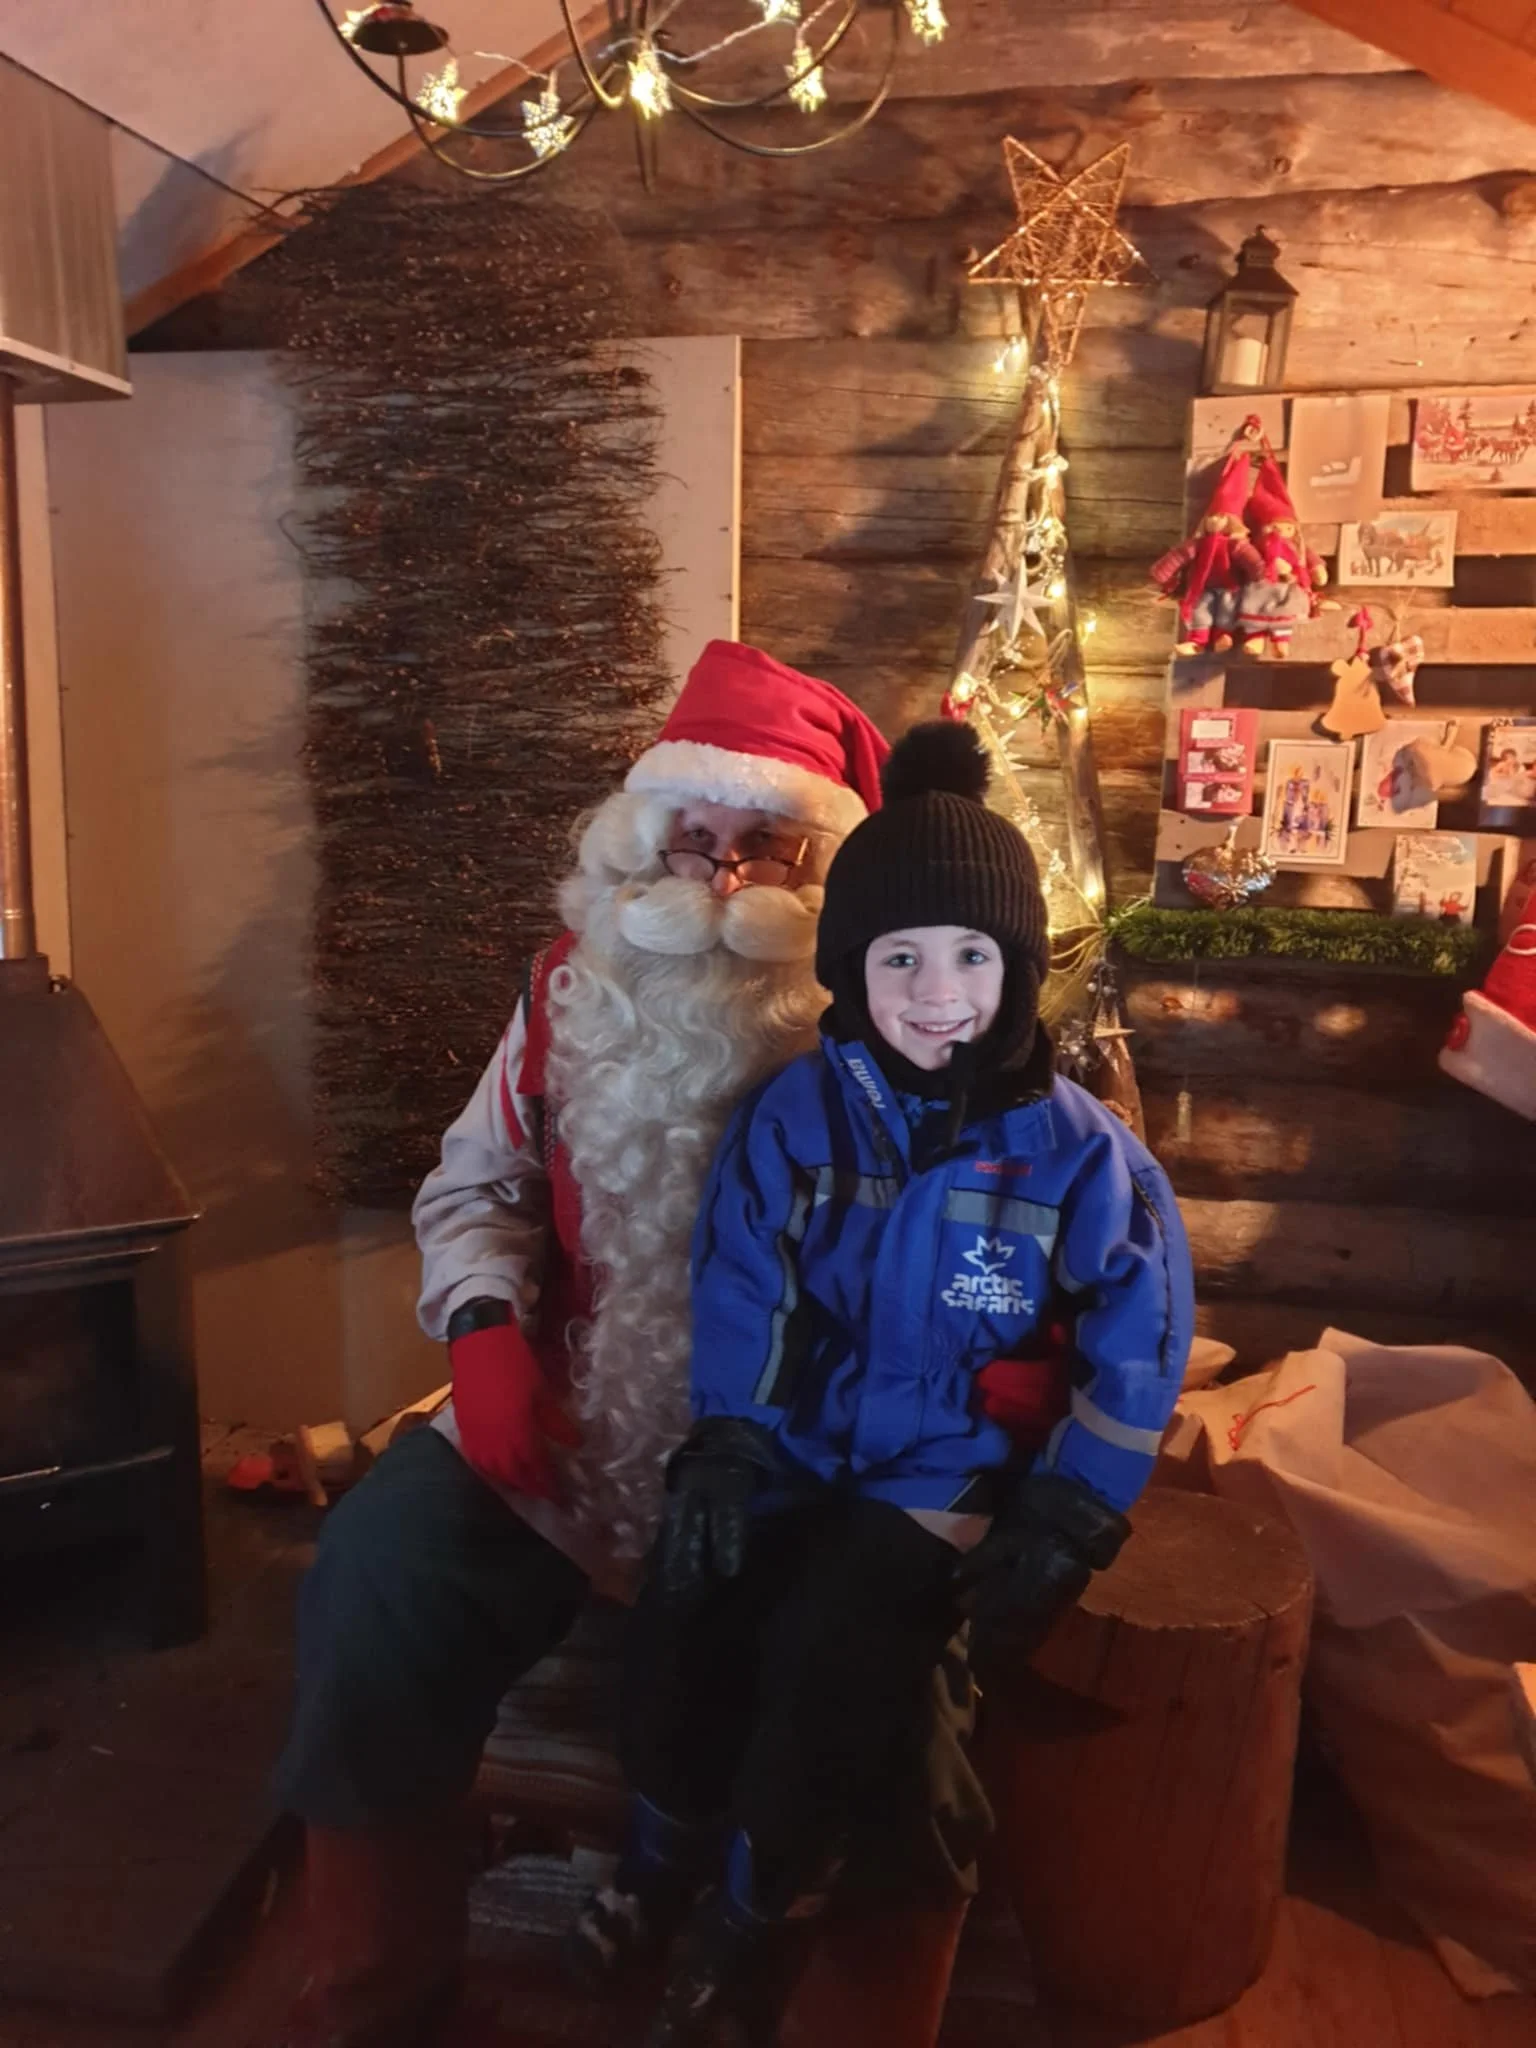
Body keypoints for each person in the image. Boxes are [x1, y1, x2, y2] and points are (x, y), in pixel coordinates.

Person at [271, 641, 890, 2048]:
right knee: (372, 1587)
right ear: (648, 836)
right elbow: (479, 1182)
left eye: (766, 848)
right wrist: (482, 1328)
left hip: (800, 1466)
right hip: (566, 1433)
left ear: (821, 868)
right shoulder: (570, 989)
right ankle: (376, 1999)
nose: (724, 880)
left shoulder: (883, 1024)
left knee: (898, 1700)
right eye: (698, 839)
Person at [574, 721, 1195, 2046]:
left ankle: (751, 1916)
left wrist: (1077, 1501)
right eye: (898, 959)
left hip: (941, 1476)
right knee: (684, 1607)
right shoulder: (796, 1119)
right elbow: (745, 1279)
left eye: (972, 958)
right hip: (799, 1443)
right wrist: (731, 1438)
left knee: (831, 1661)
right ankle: (663, 1846)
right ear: (852, 968)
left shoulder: (1076, 1158)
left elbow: (1141, 1332)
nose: (935, 993)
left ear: (1018, 969)